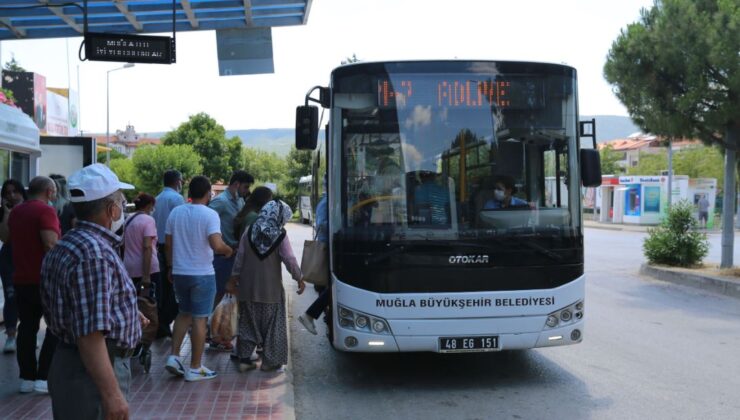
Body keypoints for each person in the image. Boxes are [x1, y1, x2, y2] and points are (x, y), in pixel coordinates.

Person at [41, 163, 146, 419]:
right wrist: (112, 395)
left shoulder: (70, 244)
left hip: (75, 367)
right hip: (92, 372)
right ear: (112, 210)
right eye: (121, 202)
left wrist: (128, 313)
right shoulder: (94, 254)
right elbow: (90, 334)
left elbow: (78, 308)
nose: (123, 207)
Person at [164, 176, 233, 382]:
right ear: (208, 193)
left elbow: (168, 243)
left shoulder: (176, 212)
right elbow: (216, 245)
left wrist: (170, 266)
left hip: (179, 272)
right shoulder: (210, 214)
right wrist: (228, 250)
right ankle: (195, 367)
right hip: (202, 274)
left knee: (183, 313)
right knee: (200, 318)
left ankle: (174, 357)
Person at [226, 200, 305, 372]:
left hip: (248, 289)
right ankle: (270, 363)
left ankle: (245, 360)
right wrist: (299, 277)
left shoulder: (248, 232)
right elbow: (289, 259)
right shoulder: (280, 234)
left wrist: (233, 279)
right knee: (273, 327)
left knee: (247, 323)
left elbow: (239, 259)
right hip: (271, 291)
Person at [8, 176, 60, 394]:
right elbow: (50, 243)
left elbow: (7, 237)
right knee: (55, 327)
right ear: (49, 191)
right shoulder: (46, 211)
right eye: (55, 191)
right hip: (45, 279)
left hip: (21, 279)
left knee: (27, 328)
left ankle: (26, 377)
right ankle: (43, 377)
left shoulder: (17, 211)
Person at [208, 170, 254, 328]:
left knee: (230, 292)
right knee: (219, 292)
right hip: (223, 256)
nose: (247, 191)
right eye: (246, 186)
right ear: (236, 184)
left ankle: (221, 328)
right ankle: (209, 327)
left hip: (235, 254)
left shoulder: (239, 201)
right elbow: (206, 224)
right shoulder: (220, 202)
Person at [153, 170, 185, 338]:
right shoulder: (177, 199)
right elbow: (180, 225)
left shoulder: (157, 198)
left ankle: (161, 325)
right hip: (171, 248)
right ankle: (164, 323)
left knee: (163, 290)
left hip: (157, 247)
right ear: (177, 181)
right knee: (173, 290)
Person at [298, 182, 329, 335]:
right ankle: (309, 315)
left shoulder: (331, 200)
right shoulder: (325, 203)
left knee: (331, 287)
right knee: (333, 287)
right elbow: (322, 224)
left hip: (330, 246)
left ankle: (314, 315)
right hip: (326, 247)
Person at [0, 179, 27, 354]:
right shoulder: (3, 212)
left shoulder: (30, 209)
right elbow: (5, 237)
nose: (11, 195)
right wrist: (7, 213)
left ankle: (26, 333)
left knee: (28, 298)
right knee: (11, 296)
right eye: (7, 193)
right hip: (9, 259)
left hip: (28, 258)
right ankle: (11, 336)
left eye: (14, 191)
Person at [123, 193, 159, 299]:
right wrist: (146, 276)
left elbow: (124, 245)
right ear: (149, 205)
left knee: (135, 301)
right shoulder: (148, 220)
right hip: (146, 270)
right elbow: (147, 247)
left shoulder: (128, 220)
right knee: (148, 302)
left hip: (129, 268)